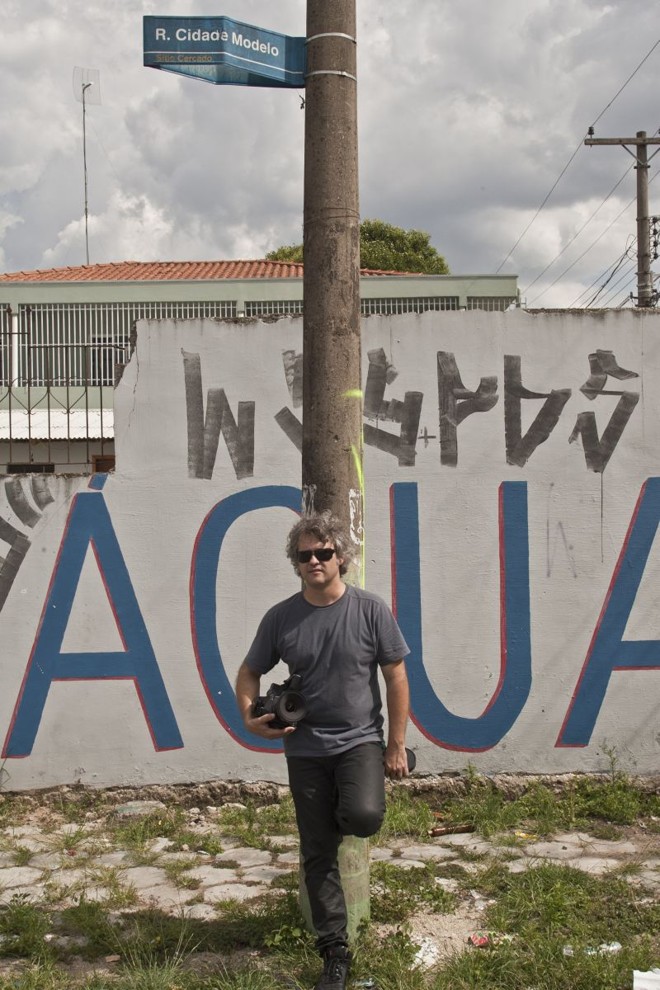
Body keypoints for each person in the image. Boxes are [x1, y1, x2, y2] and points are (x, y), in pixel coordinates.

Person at [235, 511, 411, 990]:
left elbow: (396, 676)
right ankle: (334, 952)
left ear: (341, 558)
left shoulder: (371, 610)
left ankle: (354, 794)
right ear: (296, 562)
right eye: (304, 555)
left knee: (363, 817)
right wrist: (251, 716)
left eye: (323, 553)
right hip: (306, 748)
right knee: (317, 851)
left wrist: (395, 744)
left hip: (359, 741)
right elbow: (248, 671)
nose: (314, 561)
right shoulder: (281, 617)